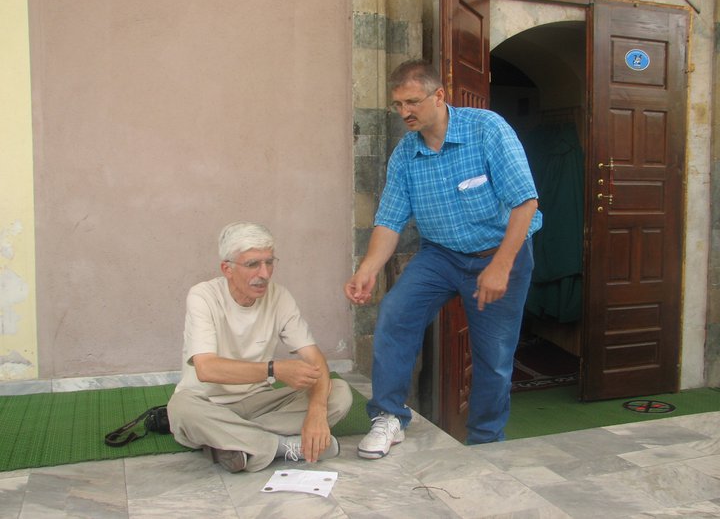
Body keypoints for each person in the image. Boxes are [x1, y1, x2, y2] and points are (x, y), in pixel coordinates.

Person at [344, 59, 542, 459]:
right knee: (395, 314)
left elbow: (526, 202)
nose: (405, 113)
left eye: (413, 102)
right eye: (398, 105)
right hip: (440, 255)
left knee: (494, 357)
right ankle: (389, 417)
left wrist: (500, 266)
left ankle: (485, 443)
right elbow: (389, 219)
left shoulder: (487, 130)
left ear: (439, 95)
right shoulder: (405, 154)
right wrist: (367, 268)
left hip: (500, 253)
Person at [168, 221, 353, 473]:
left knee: (339, 392)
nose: (264, 274)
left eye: (269, 262)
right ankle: (282, 446)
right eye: (253, 264)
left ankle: (229, 441)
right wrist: (273, 370)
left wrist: (318, 410)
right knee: (181, 411)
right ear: (227, 269)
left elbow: (313, 357)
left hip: (260, 402)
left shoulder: (280, 297)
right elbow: (206, 369)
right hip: (207, 403)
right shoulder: (203, 296)